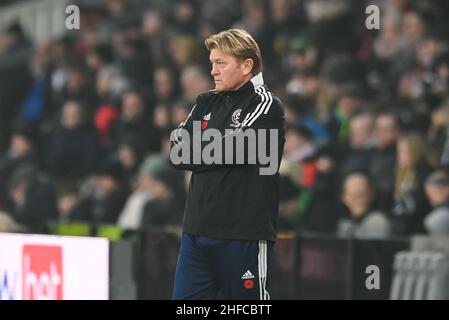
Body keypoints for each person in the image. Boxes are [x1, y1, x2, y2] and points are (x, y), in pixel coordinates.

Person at [169, 29, 285, 300]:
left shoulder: (266, 105)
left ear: (246, 66)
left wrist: (202, 150)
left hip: (242, 236)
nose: (213, 71)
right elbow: (176, 153)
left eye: (221, 63)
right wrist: (218, 149)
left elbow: (233, 148)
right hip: (196, 234)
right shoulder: (205, 101)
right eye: (212, 63)